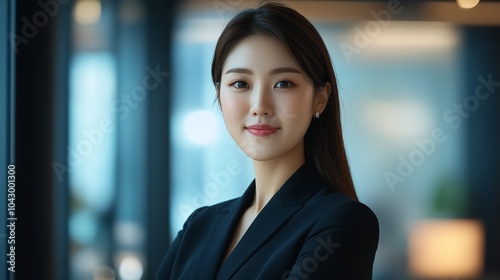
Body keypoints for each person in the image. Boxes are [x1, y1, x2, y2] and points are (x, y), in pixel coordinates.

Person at [157, 2, 379, 279]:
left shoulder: (342, 222)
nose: (259, 106)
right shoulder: (198, 226)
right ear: (219, 94)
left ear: (320, 98)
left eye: (283, 83)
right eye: (241, 84)